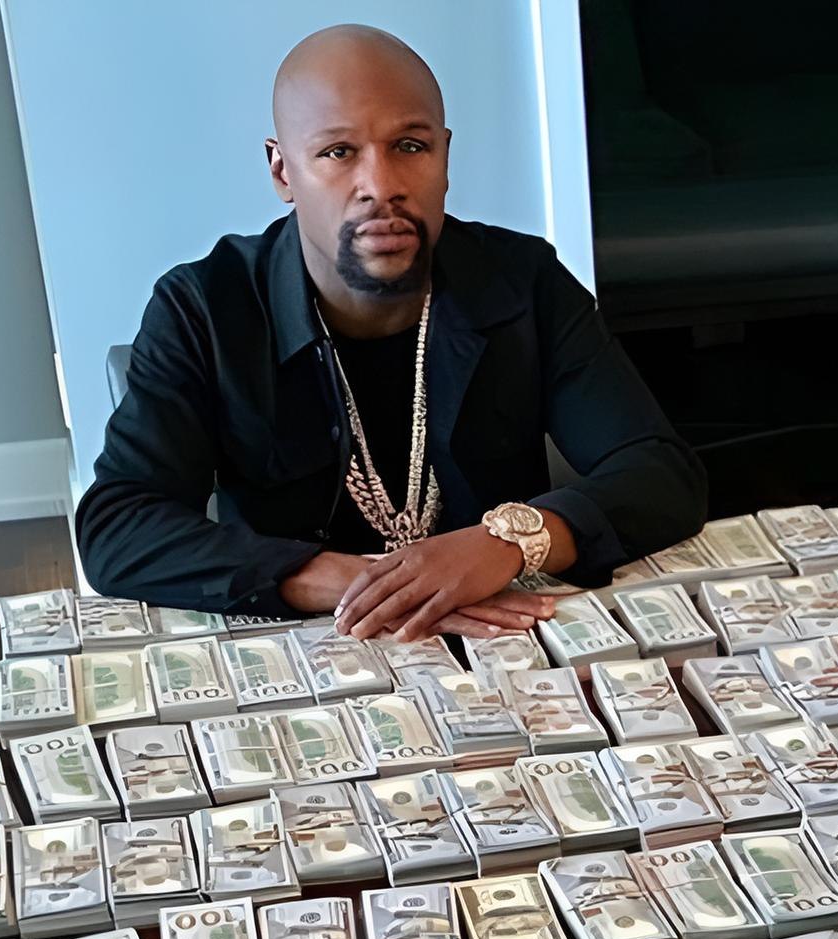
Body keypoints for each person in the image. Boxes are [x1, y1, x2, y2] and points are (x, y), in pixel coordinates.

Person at [75, 24, 706, 643]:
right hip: (310, 646)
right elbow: (117, 529)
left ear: (444, 157)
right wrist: (366, 584)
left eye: (409, 146)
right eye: (337, 152)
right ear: (283, 172)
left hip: (507, 637)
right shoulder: (205, 307)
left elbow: (661, 474)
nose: (380, 187)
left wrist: (505, 545)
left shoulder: (522, 280)